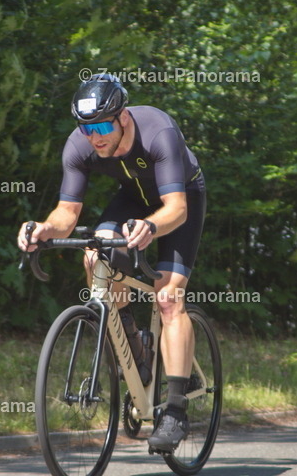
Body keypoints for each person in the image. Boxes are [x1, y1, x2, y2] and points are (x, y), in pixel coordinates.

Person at [17, 73, 206, 453]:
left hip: (178, 202)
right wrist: (42, 229)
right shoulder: (80, 145)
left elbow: (176, 209)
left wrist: (152, 226)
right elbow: (67, 215)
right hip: (132, 202)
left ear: (123, 118)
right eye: (86, 128)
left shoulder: (158, 131)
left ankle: (174, 409)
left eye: (103, 125)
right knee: (94, 253)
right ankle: (133, 343)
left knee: (168, 297)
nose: (95, 136)